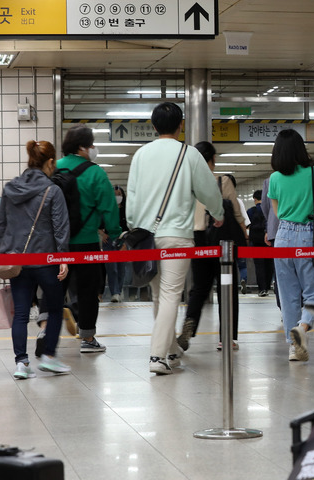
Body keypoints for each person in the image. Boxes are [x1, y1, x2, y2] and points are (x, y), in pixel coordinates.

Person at [128, 104, 224, 374]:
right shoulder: (189, 154)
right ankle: (157, 357)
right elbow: (208, 190)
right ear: (180, 125)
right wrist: (217, 213)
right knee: (170, 295)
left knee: (159, 295)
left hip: (146, 236)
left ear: (154, 126)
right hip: (177, 236)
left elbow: (132, 199)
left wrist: (136, 229)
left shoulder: (141, 154)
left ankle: (171, 349)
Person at [0, 141, 70, 379]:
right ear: (50, 162)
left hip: (17, 262)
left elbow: (2, 226)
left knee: (20, 313)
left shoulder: (10, 189)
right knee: (56, 308)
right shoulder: (52, 190)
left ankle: (21, 363)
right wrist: (63, 257)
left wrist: (1, 256)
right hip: (46, 261)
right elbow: (60, 228)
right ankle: (48, 356)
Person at [58, 125, 122, 353]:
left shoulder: (55, 169)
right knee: (87, 291)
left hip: (59, 244)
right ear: (83, 147)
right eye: (92, 144)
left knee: (56, 286)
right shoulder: (96, 173)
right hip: (86, 242)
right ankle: (87, 339)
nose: (94, 148)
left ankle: (47, 331)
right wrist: (115, 233)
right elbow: (109, 208)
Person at [268, 129, 314, 362]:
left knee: (288, 295)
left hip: (283, 237)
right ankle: (302, 329)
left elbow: (276, 212)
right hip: (309, 235)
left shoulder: (274, 178)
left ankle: (294, 346)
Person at [177, 141, 242, 352]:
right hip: (222, 240)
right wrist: (244, 234)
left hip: (196, 238)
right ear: (212, 160)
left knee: (199, 288)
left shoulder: (185, 183)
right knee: (227, 287)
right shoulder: (221, 181)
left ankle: (190, 321)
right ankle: (226, 338)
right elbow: (237, 214)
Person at [103, 185, 129, 303]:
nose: (117, 197)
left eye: (119, 194)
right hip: (108, 241)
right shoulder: (107, 209)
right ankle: (115, 292)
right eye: (114, 195)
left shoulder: (126, 210)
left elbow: (129, 228)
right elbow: (98, 223)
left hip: (122, 240)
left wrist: (126, 243)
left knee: (121, 268)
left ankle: (119, 289)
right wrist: (102, 234)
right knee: (111, 267)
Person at [247, 189, 274, 297]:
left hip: (256, 242)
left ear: (254, 199)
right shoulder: (269, 210)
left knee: (259, 266)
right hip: (268, 241)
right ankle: (268, 286)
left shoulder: (251, 211)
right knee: (269, 265)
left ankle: (262, 289)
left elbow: (246, 224)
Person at [261, 177, 280, 309]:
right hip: (302, 229)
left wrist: (269, 226)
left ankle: (283, 307)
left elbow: (265, 206)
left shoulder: (269, 180)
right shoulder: (306, 175)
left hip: (276, 230)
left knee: (280, 272)